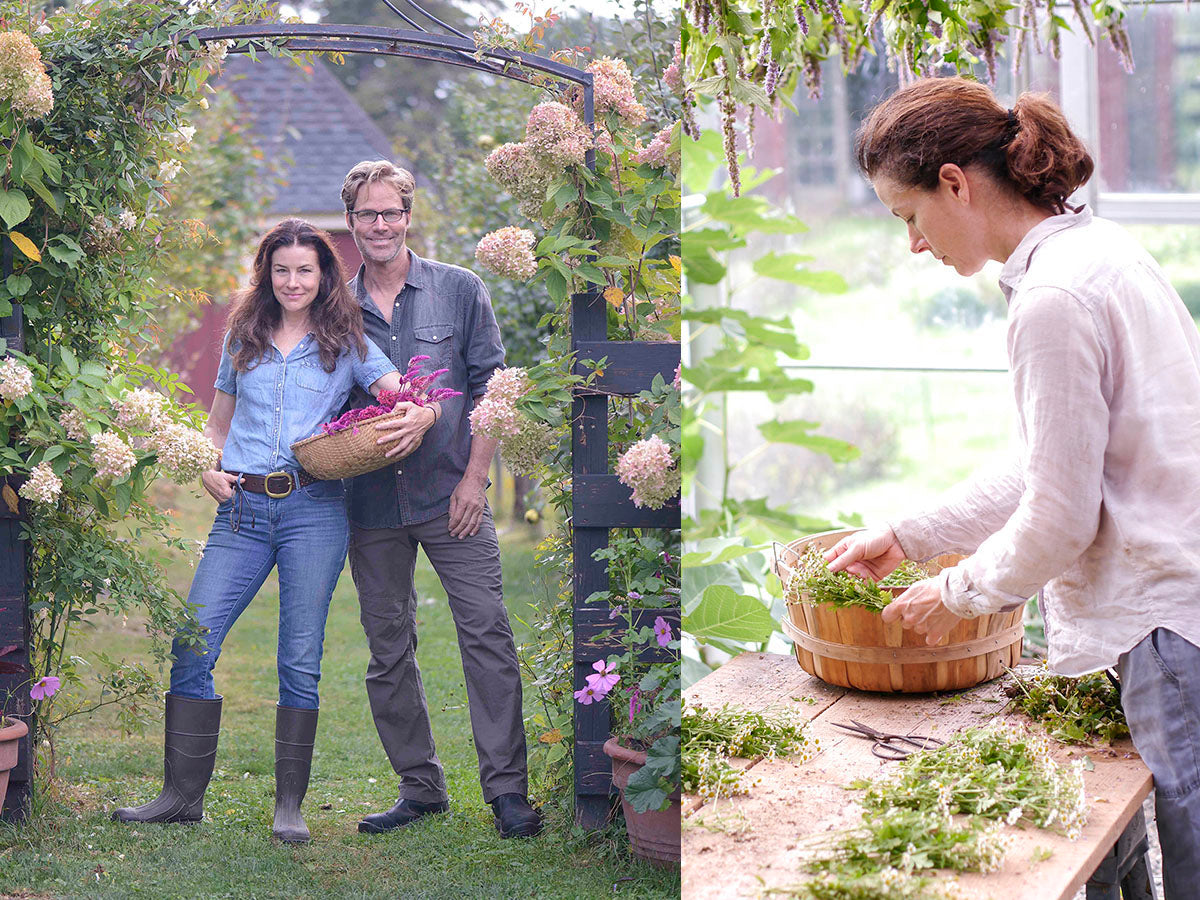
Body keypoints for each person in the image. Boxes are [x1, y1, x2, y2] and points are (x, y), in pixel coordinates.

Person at [824, 76, 1200, 893]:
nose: (914, 246)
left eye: (909, 217)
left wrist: (954, 593)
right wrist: (910, 536)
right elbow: (1051, 461)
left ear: (954, 183)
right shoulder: (1094, 253)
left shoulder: (1054, 299)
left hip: (1170, 630)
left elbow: (1061, 519)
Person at [112, 219, 410, 843]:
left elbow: (398, 394)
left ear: (324, 274)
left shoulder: (345, 338)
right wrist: (205, 467)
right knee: (193, 639)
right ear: (266, 273)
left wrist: (414, 409)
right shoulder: (242, 335)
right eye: (282, 270)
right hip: (241, 512)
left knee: (299, 659)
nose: (293, 281)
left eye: (306, 270)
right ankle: (180, 796)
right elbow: (217, 427)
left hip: (313, 510)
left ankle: (288, 807)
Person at [336, 159, 542, 839]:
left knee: (485, 632)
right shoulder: (335, 306)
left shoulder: (458, 290)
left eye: (392, 210)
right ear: (351, 222)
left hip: (451, 492)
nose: (381, 224)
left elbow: (492, 387)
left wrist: (475, 480)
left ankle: (508, 793)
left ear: (409, 214)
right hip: (372, 504)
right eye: (368, 213)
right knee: (388, 646)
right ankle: (419, 788)